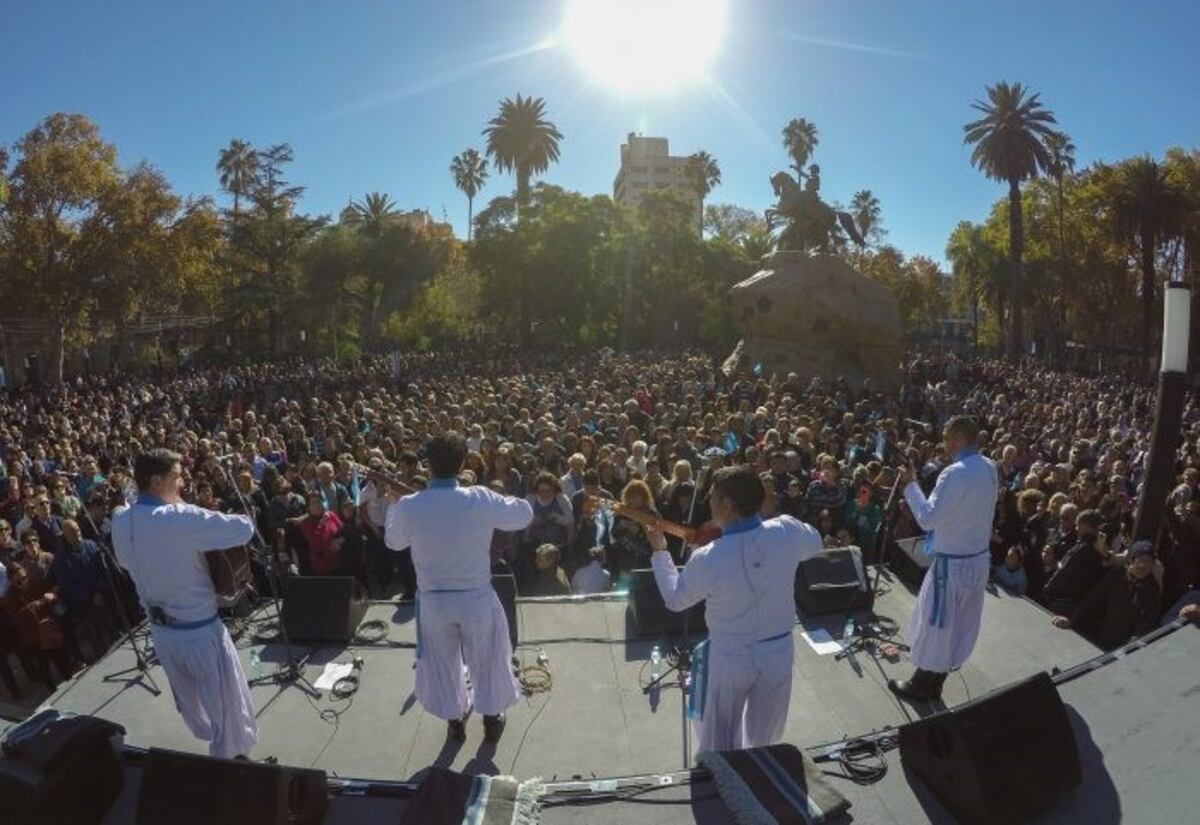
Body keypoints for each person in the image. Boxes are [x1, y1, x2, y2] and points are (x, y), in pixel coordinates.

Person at [645, 465, 822, 754]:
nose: (708, 503)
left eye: (712, 498)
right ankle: (761, 779)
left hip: (730, 656)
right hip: (777, 652)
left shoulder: (708, 557)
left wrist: (660, 552)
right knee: (766, 738)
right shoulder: (787, 530)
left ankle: (725, 781)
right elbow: (815, 542)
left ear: (727, 505)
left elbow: (676, 600)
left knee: (720, 736)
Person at [384, 434, 533, 744]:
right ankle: (491, 719)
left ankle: (455, 722)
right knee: (487, 657)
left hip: (434, 602)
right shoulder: (479, 497)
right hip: (475, 597)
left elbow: (393, 541)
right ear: (464, 462)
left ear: (427, 464)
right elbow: (524, 515)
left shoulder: (411, 505)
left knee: (442, 662)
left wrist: (393, 505)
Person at [111, 449, 258, 759]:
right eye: (176, 477)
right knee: (227, 711)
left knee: (192, 705)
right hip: (200, 635)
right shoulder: (180, 517)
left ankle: (219, 752)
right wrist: (182, 509)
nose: (182, 483)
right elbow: (244, 528)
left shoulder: (121, 520)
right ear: (156, 480)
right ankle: (233, 767)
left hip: (161, 637)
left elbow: (125, 562)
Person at [889, 416, 998, 704]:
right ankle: (936, 682)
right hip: (978, 561)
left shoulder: (954, 473)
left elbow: (927, 519)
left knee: (936, 624)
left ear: (961, 438)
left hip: (952, 565)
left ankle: (921, 685)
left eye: (949, 439)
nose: (946, 445)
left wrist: (911, 486)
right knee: (960, 624)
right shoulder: (990, 467)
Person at [1053, 541, 1161, 649]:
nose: (1144, 565)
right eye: (1140, 560)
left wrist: (1130, 648)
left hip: (1125, 649)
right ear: (1132, 560)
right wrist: (1071, 619)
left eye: (1149, 562)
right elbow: (1093, 599)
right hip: (1102, 638)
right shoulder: (1117, 576)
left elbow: (1145, 625)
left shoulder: (1152, 591)